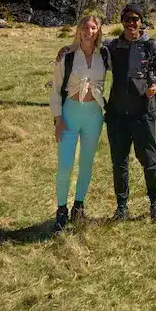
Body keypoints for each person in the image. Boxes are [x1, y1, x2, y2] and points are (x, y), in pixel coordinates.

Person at [104, 3, 156, 222]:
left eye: (135, 19)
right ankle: (121, 208)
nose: (131, 23)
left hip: (143, 113)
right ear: (122, 21)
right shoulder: (113, 46)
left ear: (141, 21)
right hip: (117, 114)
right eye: (127, 19)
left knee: (149, 160)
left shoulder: (153, 46)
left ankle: (155, 205)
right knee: (119, 162)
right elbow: (87, 45)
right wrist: (65, 51)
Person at [49, 14, 109, 231]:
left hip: (94, 116)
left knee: (86, 163)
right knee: (65, 165)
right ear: (78, 30)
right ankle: (62, 209)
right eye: (85, 27)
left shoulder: (104, 54)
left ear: (98, 31)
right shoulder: (67, 56)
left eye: (93, 28)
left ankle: (79, 206)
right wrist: (58, 119)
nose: (88, 31)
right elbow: (56, 89)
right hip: (69, 115)